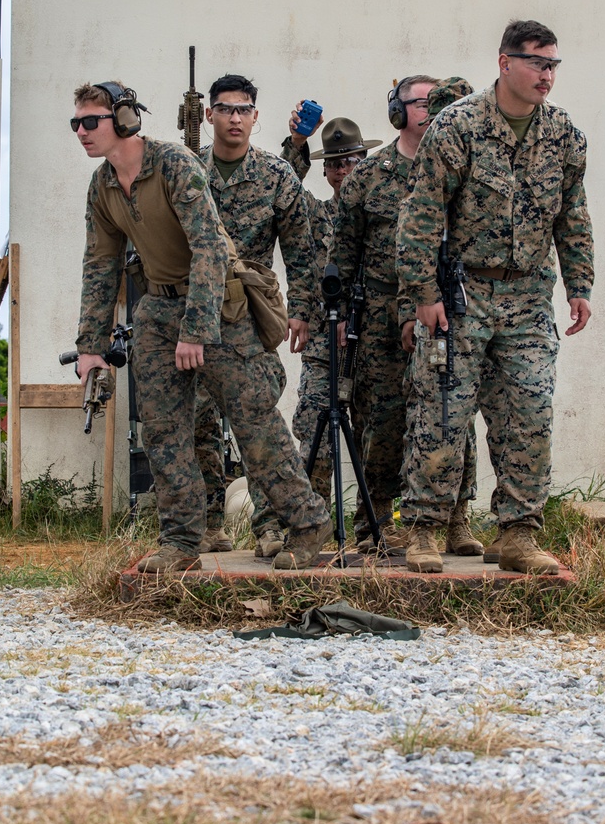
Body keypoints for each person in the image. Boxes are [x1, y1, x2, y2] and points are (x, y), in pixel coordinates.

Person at [72, 79, 332, 572]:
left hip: (220, 307)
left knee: (255, 419)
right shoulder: (103, 185)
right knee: (165, 430)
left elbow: (211, 247)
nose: (82, 132)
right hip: (158, 308)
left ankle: (306, 521)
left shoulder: (174, 165)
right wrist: (91, 346)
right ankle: (182, 540)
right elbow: (100, 265)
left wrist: (197, 329)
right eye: (76, 124)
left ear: (125, 120)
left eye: (92, 122)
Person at [397, 21, 594, 575]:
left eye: (553, 64)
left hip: (530, 295)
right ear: (505, 63)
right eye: (536, 63)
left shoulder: (564, 136)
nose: (546, 75)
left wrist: (579, 285)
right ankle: (425, 529)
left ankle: (518, 534)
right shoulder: (458, 127)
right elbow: (421, 214)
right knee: (442, 409)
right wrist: (423, 292)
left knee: (529, 412)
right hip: (463, 294)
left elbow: (572, 214)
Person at [328, 74, 484, 565]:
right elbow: (342, 250)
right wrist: (333, 314)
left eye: (438, 103)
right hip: (377, 315)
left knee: (451, 415)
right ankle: (375, 524)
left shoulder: (462, 169)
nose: (431, 110)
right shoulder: (369, 177)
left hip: (445, 306)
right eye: (420, 102)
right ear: (398, 111)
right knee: (382, 420)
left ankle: (454, 518)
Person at [194, 73, 318, 560]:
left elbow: (301, 252)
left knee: (258, 423)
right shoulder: (188, 173)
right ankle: (206, 524)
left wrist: (302, 311)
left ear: (255, 117)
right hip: (198, 312)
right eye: (225, 109)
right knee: (198, 417)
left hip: (251, 311)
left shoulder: (275, 175)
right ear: (209, 116)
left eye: (244, 110)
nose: (235, 119)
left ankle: (271, 525)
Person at [282, 113, 381, 505]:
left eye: (352, 161)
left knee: (376, 440)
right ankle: (316, 521)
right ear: (325, 172)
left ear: (365, 164)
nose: (343, 170)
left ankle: (374, 527)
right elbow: (281, 185)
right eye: (335, 163)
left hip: (375, 345)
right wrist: (297, 142)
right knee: (316, 435)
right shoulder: (315, 214)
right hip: (326, 347)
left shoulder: (384, 216)